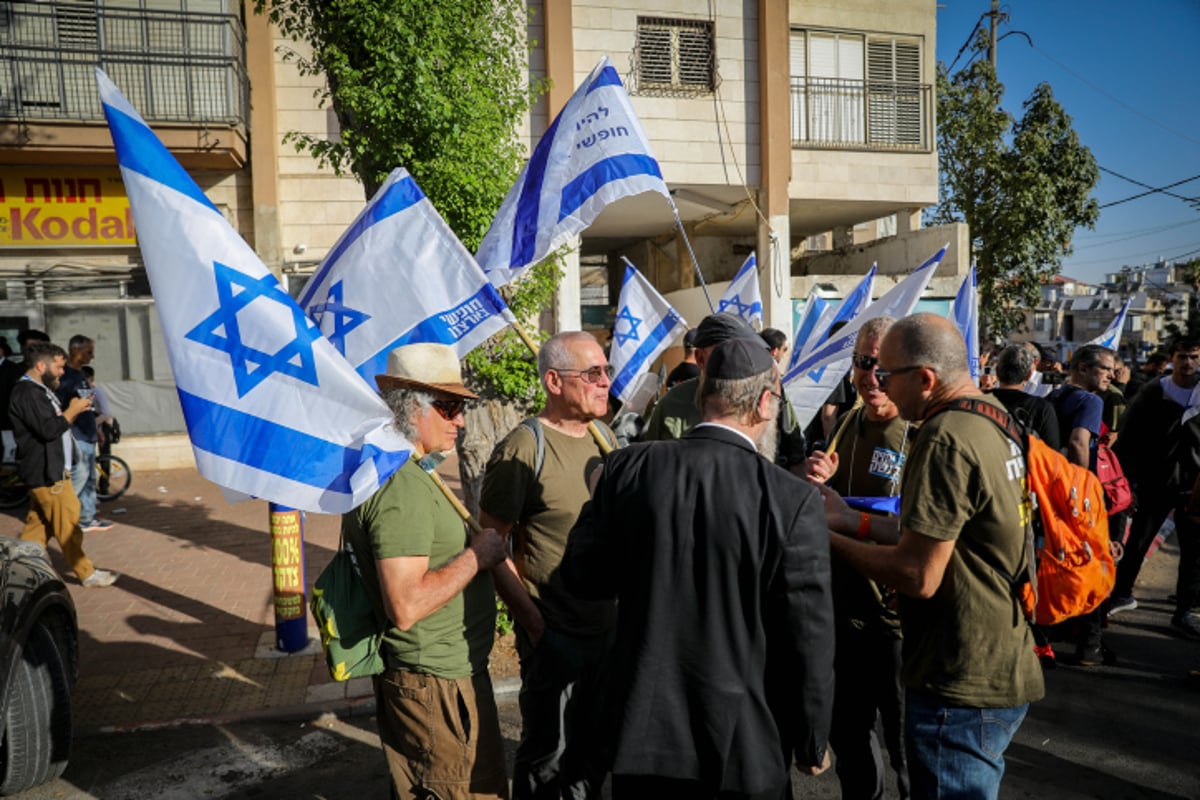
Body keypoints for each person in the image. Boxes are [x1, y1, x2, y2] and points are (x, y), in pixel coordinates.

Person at [561, 336, 835, 799]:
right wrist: (812, 740)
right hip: (743, 744)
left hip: (643, 736)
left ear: (703, 395)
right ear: (766, 404)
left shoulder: (628, 470)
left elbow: (581, 579)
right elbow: (808, 638)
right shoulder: (791, 499)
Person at [820, 313, 1043, 799]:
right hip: (996, 654)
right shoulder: (990, 416)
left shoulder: (943, 437)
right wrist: (847, 521)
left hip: (959, 675)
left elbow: (918, 574)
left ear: (924, 378)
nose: (878, 385)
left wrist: (829, 541)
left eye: (886, 374)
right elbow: (936, 531)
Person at [342, 342, 508, 799]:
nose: (460, 420)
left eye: (461, 407)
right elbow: (407, 604)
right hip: (435, 685)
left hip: (441, 679)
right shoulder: (402, 486)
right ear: (413, 409)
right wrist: (478, 556)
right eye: (450, 406)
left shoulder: (412, 471)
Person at [479, 331, 617, 800]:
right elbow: (490, 546)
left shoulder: (606, 437)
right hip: (556, 638)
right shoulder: (523, 448)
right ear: (554, 381)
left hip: (609, 633)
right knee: (548, 763)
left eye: (606, 371)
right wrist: (536, 624)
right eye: (593, 373)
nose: (605, 382)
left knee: (598, 757)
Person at [803, 317, 910, 800]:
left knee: (905, 743)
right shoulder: (848, 421)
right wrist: (814, 474)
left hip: (897, 622)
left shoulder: (920, 431)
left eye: (883, 366)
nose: (872, 377)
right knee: (851, 736)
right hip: (843, 613)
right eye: (864, 363)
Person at [1110, 338, 1200, 639]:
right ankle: (1121, 593)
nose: (1188, 363)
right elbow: (1129, 439)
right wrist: (1128, 484)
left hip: (1193, 487)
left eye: (1194, 357)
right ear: (1173, 358)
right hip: (1155, 482)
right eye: (1183, 356)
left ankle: (1184, 611)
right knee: (1138, 541)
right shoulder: (1154, 392)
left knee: (1193, 553)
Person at [10, 342, 118, 588]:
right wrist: (73, 411)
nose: (62, 372)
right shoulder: (28, 392)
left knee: (38, 527)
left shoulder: (39, 390)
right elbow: (48, 430)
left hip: (51, 469)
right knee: (68, 523)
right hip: (47, 472)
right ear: (41, 365)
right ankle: (86, 573)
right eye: (58, 367)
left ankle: (19, 569)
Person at [644, 313, 806, 471]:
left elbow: (796, 457)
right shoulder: (672, 403)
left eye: (746, 351)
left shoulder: (769, 395)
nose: (739, 358)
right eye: (727, 352)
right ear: (700, 358)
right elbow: (652, 466)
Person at [1047, 344, 1117, 666]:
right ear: (1083, 369)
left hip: (1049, 491)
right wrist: (1086, 487)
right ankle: (1090, 646)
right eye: (1105, 368)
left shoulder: (1054, 397)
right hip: (1076, 494)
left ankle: (1052, 635)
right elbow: (1078, 443)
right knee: (1094, 562)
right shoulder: (1090, 400)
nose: (1111, 374)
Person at [55, 335, 113, 533]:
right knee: (80, 475)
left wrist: (96, 429)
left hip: (88, 432)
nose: (92, 356)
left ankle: (86, 518)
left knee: (89, 476)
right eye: (88, 352)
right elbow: (63, 407)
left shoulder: (80, 376)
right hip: (76, 433)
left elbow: (86, 406)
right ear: (75, 351)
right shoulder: (66, 377)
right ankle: (63, 514)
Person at [988, 344, 1060, 450]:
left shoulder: (976, 402)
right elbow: (1052, 454)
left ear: (997, 372)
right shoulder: (1043, 409)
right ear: (1028, 375)